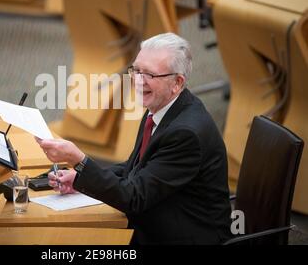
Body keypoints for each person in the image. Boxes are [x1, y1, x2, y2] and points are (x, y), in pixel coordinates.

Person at [35, 33, 232, 244]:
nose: (139, 81)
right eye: (137, 70)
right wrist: (79, 178)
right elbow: (135, 168)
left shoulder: (186, 134)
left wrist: (80, 161)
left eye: (150, 75)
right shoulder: (161, 107)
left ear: (177, 82)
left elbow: (133, 197)